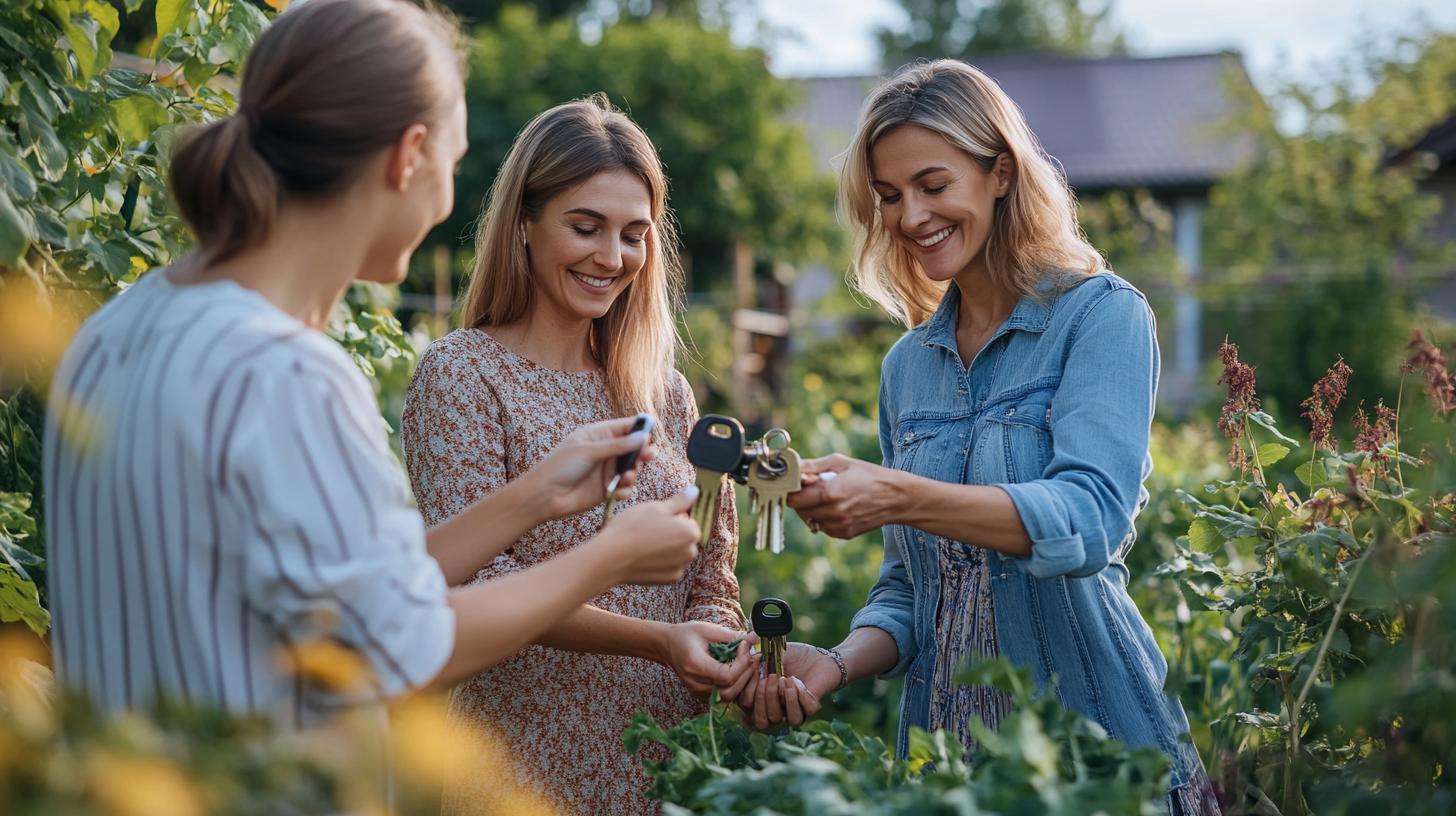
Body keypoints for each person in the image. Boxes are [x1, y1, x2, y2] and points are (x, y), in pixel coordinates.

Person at [42, 0, 701, 733]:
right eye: (449, 166)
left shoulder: (116, 328)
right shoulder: (285, 374)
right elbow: (396, 645)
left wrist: (537, 496)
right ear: (406, 156)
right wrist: (607, 559)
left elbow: (348, 594)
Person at [742, 60, 1222, 815]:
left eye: (933, 186)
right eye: (890, 196)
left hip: (1091, 764)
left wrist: (898, 493)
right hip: (950, 775)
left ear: (999, 172)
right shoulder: (909, 367)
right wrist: (833, 664)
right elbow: (910, 588)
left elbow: (1090, 518)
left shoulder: (1100, 318)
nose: (909, 217)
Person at [400, 95, 754, 816]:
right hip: (520, 760)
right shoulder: (465, 372)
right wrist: (660, 641)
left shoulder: (664, 392)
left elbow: (711, 576)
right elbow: (475, 580)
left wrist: (726, 651)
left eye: (634, 234)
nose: (612, 257)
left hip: (664, 761)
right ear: (524, 225)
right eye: (585, 227)